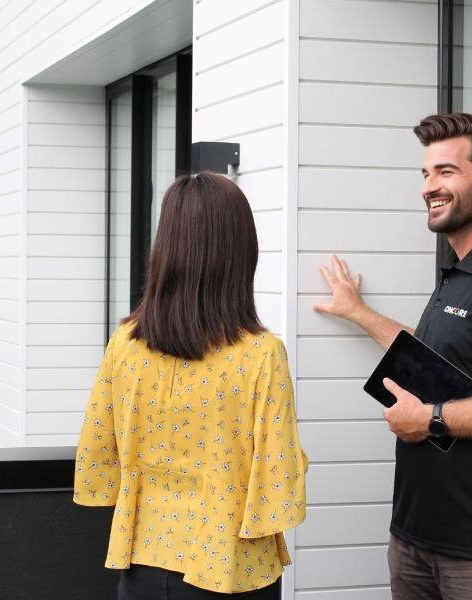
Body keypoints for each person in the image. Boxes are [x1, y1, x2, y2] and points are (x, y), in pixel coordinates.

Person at [313, 113, 472, 599]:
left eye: (446, 172)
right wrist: (360, 313)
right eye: (426, 174)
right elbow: (431, 356)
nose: (430, 186)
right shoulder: (458, 273)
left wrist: (430, 418)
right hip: (416, 538)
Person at [74, 171, 308, 599]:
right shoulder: (260, 354)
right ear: (240, 250)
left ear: (164, 247)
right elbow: (281, 478)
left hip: (142, 563)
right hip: (229, 567)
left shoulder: (124, 345)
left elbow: (97, 450)